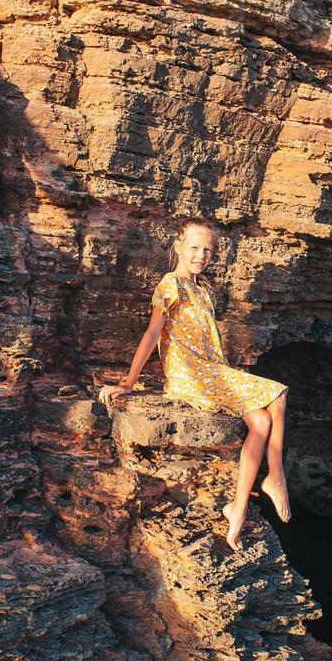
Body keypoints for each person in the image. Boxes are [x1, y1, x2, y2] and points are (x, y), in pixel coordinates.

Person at [97, 217, 291, 550]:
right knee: (278, 394)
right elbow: (153, 333)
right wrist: (128, 383)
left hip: (213, 370)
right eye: (195, 248)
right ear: (179, 247)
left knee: (260, 421)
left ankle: (238, 508)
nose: (201, 255)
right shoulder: (171, 283)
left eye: (208, 250)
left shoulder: (204, 289)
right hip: (191, 374)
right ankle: (276, 476)